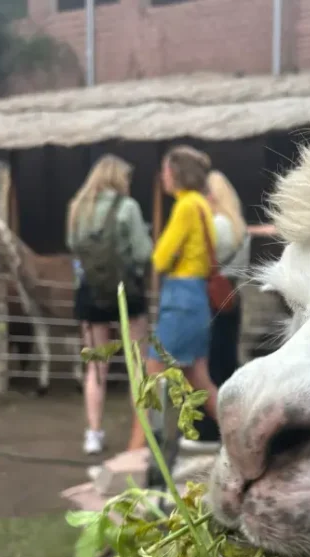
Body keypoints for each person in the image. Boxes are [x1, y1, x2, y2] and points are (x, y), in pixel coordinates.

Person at [127, 145, 219, 452]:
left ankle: (137, 450)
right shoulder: (203, 205)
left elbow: (161, 258)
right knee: (199, 379)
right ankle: (240, 438)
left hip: (179, 298)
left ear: (176, 173)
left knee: (152, 377)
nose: (162, 177)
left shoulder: (184, 207)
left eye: (166, 170)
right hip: (197, 298)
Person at [67, 154, 153, 455]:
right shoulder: (127, 208)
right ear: (118, 178)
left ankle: (93, 433)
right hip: (126, 294)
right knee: (136, 364)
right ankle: (141, 432)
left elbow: (73, 247)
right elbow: (143, 253)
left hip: (89, 294)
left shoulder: (77, 208)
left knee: (95, 368)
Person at [186, 168, 250, 451]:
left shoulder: (218, 225)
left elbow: (202, 260)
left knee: (210, 366)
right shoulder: (238, 225)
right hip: (230, 298)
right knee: (224, 362)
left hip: (211, 300)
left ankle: (209, 430)